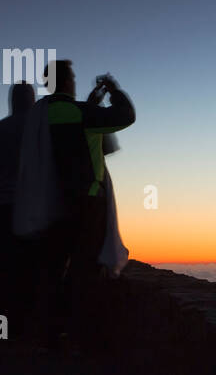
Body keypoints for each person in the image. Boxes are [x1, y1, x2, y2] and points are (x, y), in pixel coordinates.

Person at [20, 60, 135, 349]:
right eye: (71, 76)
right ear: (66, 81)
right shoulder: (79, 112)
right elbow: (125, 116)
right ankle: (80, 336)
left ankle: (46, 333)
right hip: (87, 201)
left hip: (51, 201)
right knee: (85, 268)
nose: (73, 79)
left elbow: (72, 134)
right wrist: (114, 90)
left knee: (52, 266)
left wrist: (89, 104)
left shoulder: (40, 114)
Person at [0, 82, 36, 334]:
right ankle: (30, 325)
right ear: (32, 100)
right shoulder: (41, 129)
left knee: (7, 267)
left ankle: (4, 328)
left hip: (4, 206)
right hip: (36, 208)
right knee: (34, 267)